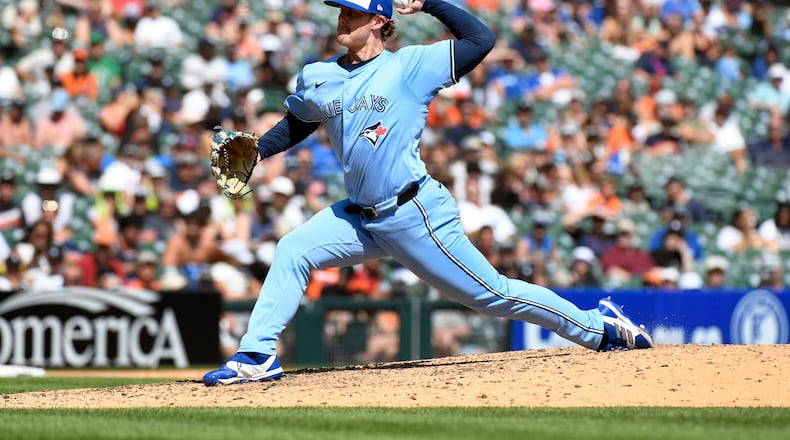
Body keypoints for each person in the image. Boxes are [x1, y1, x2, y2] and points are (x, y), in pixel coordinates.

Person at [203, 0, 652, 386]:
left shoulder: (410, 66)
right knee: (293, 249)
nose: (341, 19)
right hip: (359, 218)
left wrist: (431, 3)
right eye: (340, 11)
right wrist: (259, 149)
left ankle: (600, 330)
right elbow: (300, 122)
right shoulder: (321, 75)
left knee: (493, 295)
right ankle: (257, 355)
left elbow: (481, 40)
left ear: (378, 21)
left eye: (352, 12)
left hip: (413, 211)